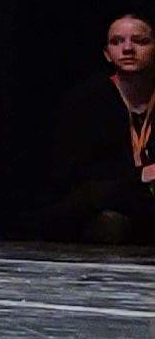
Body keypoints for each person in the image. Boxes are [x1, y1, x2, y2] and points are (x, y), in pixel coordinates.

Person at [40, 15, 155, 245]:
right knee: (109, 221)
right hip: (103, 203)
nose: (128, 49)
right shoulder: (87, 101)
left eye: (140, 41)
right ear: (107, 54)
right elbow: (79, 179)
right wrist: (142, 175)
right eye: (117, 42)